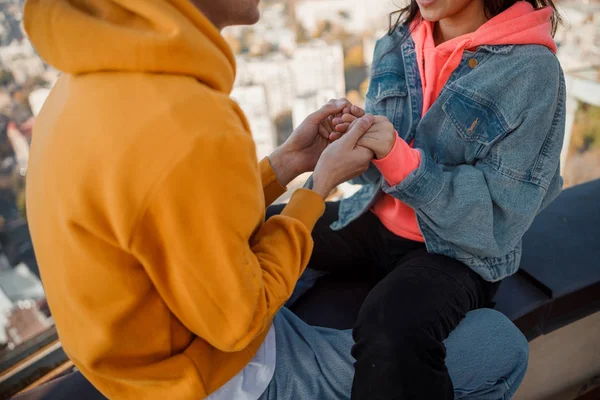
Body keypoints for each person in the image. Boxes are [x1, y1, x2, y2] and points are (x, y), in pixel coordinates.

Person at [24, 0, 528, 399]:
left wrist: (286, 164)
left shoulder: (84, 84)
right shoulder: (187, 122)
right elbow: (238, 321)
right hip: (209, 376)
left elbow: (172, 215)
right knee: (499, 347)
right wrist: (317, 188)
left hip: (150, 352)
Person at [276, 0, 565, 399]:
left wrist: (402, 161)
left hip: (456, 251)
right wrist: (352, 140)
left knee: (390, 324)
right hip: (374, 218)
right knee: (263, 228)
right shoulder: (399, 41)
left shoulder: (532, 70)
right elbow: (377, 168)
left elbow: (499, 220)